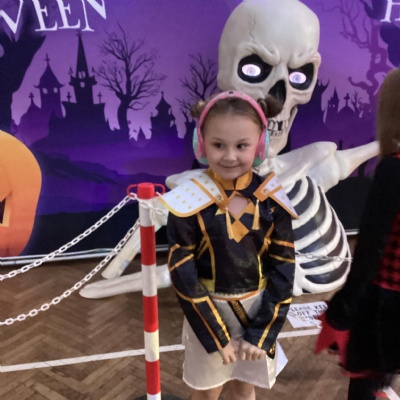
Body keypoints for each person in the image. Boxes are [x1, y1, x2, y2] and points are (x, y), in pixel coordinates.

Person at [159, 90, 298, 400]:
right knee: (207, 393)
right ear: (201, 144)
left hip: (258, 311)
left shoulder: (272, 201)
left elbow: (284, 270)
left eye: (242, 145)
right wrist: (217, 336)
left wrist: (261, 333)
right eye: (218, 145)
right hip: (208, 311)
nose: (230, 156)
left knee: (245, 387)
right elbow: (183, 275)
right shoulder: (187, 202)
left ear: (260, 145)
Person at [315, 68, 400, 400]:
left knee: (367, 386)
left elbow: (370, 250)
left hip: (385, 304)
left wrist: (341, 311)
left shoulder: (393, 168)